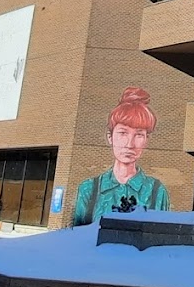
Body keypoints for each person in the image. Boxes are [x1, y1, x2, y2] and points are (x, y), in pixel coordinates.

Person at [72, 86, 171, 226]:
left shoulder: (156, 191)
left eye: (138, 135)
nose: (130, 144)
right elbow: (79, 238)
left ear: (146, 140)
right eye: (123, 133)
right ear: (110, 137)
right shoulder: (89, 189)